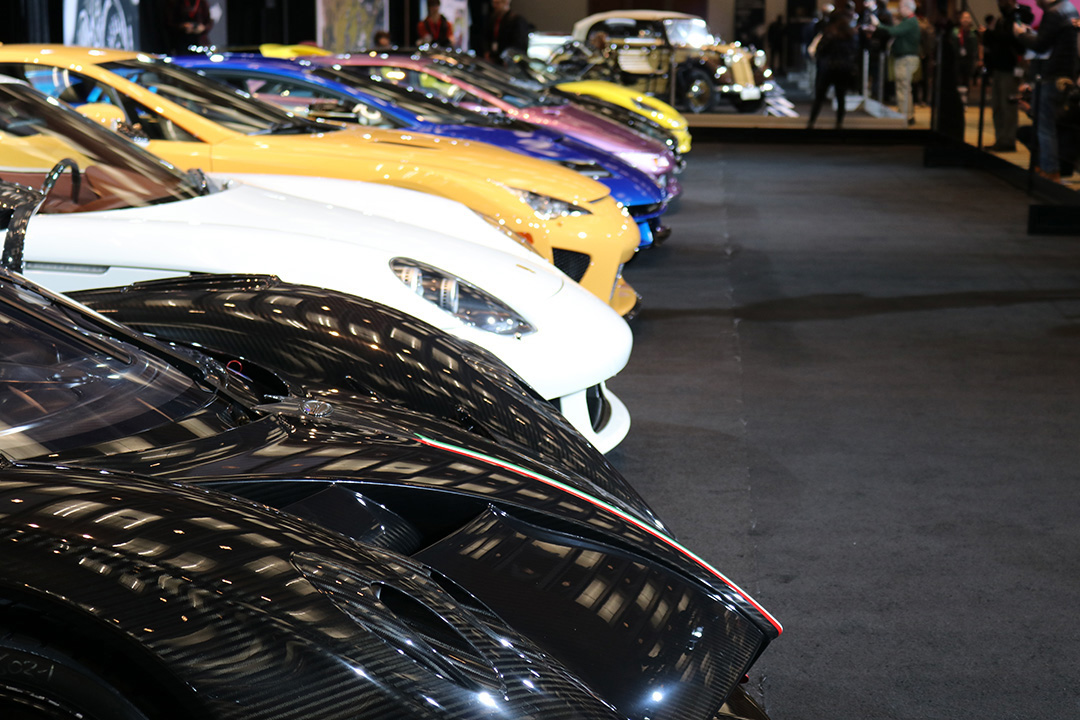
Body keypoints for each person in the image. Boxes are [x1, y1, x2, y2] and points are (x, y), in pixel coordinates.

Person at [1014, 0, 1080, 180]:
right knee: (1048, 126)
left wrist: (1021, 34)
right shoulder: (1070, 9)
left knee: (1045, 127)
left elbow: (1041, 44)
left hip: (1052, 76)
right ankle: (1048, 168)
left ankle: (1049, 170)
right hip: (1064, 75)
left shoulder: (1054, 13)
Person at [807, 5, 859, 128]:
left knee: (819, 97)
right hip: (843, 69)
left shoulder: (829, 32)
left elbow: (820, 50)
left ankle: (811, 122)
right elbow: (854, 51)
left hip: (828, 69)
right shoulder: (850, 34)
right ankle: (839, 122)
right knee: (841, 97)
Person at [870, 0, 921, 125]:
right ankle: (905, 114)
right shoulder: (908, 21)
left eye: (900, 7)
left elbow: (894, 31)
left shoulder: (910, 21)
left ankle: (905, 116)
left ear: (907, 8)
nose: (898, 9)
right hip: (904, 58)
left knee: (903, 88)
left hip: (906, 59)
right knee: (903, 88)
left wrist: (879, 25)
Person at [982, 0, 1024, 151]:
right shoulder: (1000, 19)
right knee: (997, 105)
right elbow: (991, 40)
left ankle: (1008, 139)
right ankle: (1000, 138)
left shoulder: (1018, 16)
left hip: (1010, 68)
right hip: (998, 67)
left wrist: (994, 31)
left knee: (1008, 106)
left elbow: (1014, 39)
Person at [950, 11, 980, 104]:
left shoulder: (973, 33)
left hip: (968, 60)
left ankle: (965, 98)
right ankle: (957, 99)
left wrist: (977, 59)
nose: (966, 20)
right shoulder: (955, 32)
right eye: (964, 18)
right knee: (957, 79)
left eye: (968, 18)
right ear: (960, 20)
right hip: (957, 59)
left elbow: (976, 47)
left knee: (966, 79)